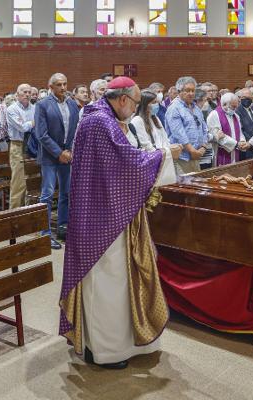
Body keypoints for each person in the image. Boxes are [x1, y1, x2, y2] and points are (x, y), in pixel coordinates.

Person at [60, 76, 177, 370]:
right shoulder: (101, 123)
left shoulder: (99, 118)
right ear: (123, 99)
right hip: (102, 218)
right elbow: (127, 166)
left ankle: (101, 345)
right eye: (136, 104)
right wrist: (163, 155)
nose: (136, 110)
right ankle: (105, 351)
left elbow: (117, 165)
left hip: (102, 209)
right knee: (106, 284)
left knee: (110, 283)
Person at [35, 73, 79, 249]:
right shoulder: (43, 105)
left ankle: (63, 227)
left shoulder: (72, 104)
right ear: (50, 86)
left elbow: (75, 130)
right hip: (49, 157)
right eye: (59, 84)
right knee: (47, 194)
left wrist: (70, 151)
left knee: (66, 193)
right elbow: (41, 134)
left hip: (67, 155)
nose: (63, 87)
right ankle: (45, 233)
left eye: (65, 83)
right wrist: (58, 152)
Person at [166, 76, 209, 175]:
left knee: (197, 186)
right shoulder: (174, 108)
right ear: (179, 91)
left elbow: (204, 128)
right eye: (187, 90)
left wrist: (203, 146)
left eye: (193, 90)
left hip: (196, 155)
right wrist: (192, 151)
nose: (191, 93)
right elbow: (179, 134)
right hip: (182, 158)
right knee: (184, 188)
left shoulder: (196, 108)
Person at [7, 83, 36, 209]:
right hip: (18, 146)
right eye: (24, 92)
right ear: (17, 94)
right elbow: (22, 127)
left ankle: (28, 212)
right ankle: (13, 214)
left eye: (29, 92)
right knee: (18, 183)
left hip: (32, 145)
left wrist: (30, 124)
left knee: (32, 180)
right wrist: (33, 122)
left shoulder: (34, 108)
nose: (27, 94)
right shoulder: (11, 109)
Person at [130, 90, 180, 156]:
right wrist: (165, 152)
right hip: (154, 158)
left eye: (157, 102)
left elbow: (165, 137)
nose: (156, 105)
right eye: (154, 102)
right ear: (145, 104)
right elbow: (145, 145)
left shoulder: (155, 117)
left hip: (165, 156)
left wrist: (169, 149)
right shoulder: (137, 120)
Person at [207, 92, 249, 166]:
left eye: (236, 107)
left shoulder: (236, 116)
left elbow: (240, 132)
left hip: (235, 152)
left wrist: (242, 141)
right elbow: (219, 136)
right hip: (221, 153)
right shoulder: (214, 115)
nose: (235, 109)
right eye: (233, 107)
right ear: (224, 104)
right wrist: (236, 144)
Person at [236, 88, 253, 160]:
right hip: (247, 149)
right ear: (240, 98)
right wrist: (252, 143)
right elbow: (241, 130)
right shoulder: (237, 112)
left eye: (249, 98)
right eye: (244, 97)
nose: (247, 100)